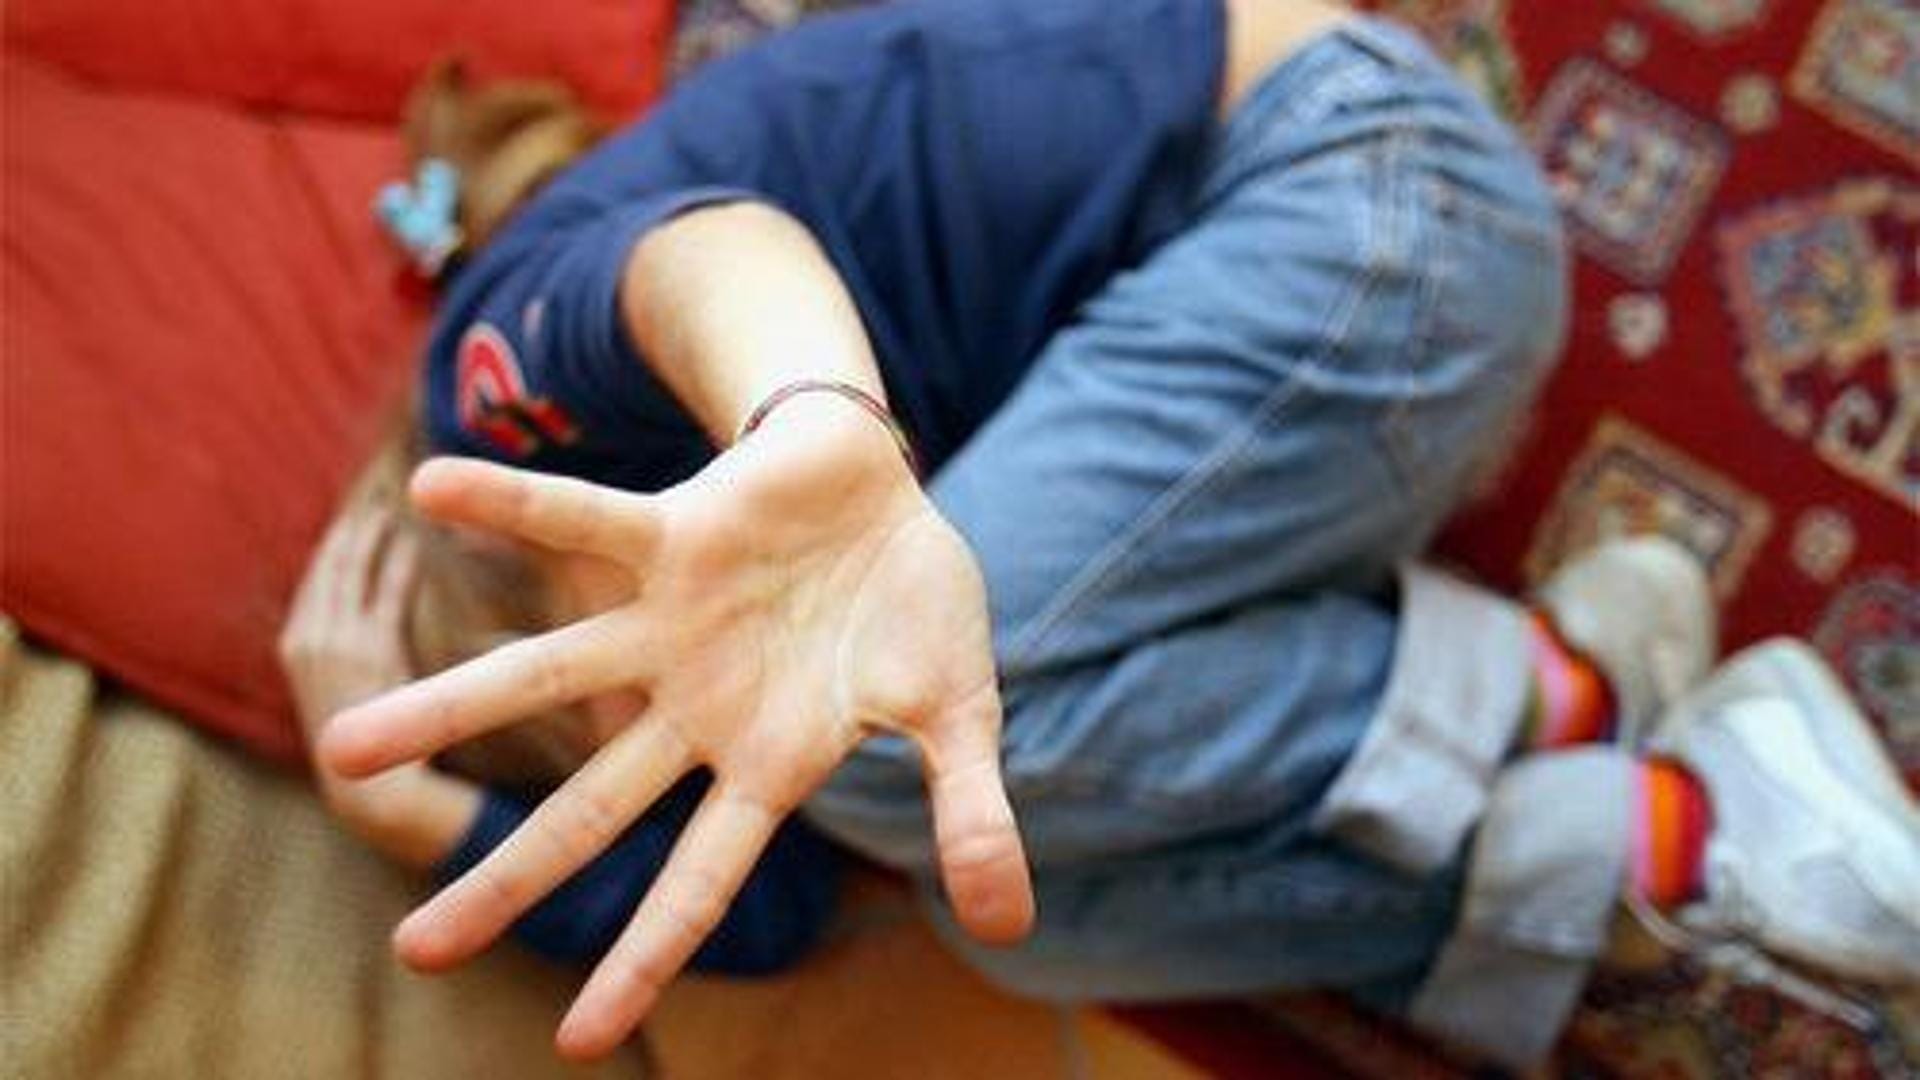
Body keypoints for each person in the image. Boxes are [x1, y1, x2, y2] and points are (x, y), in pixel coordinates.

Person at [289, 0, 1920, 1068]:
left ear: (523, 548)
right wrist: (423, 816)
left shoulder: (495, 382)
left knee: (879, 757)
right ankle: (1601, 773)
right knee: (997, 898)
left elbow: (697, 256)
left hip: (1369, 200)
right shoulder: (720, 647)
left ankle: (1638, 766)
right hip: (1297, 386)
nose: (699, 721)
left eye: (612, 700)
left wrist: (811, 413)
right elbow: (767, 910)